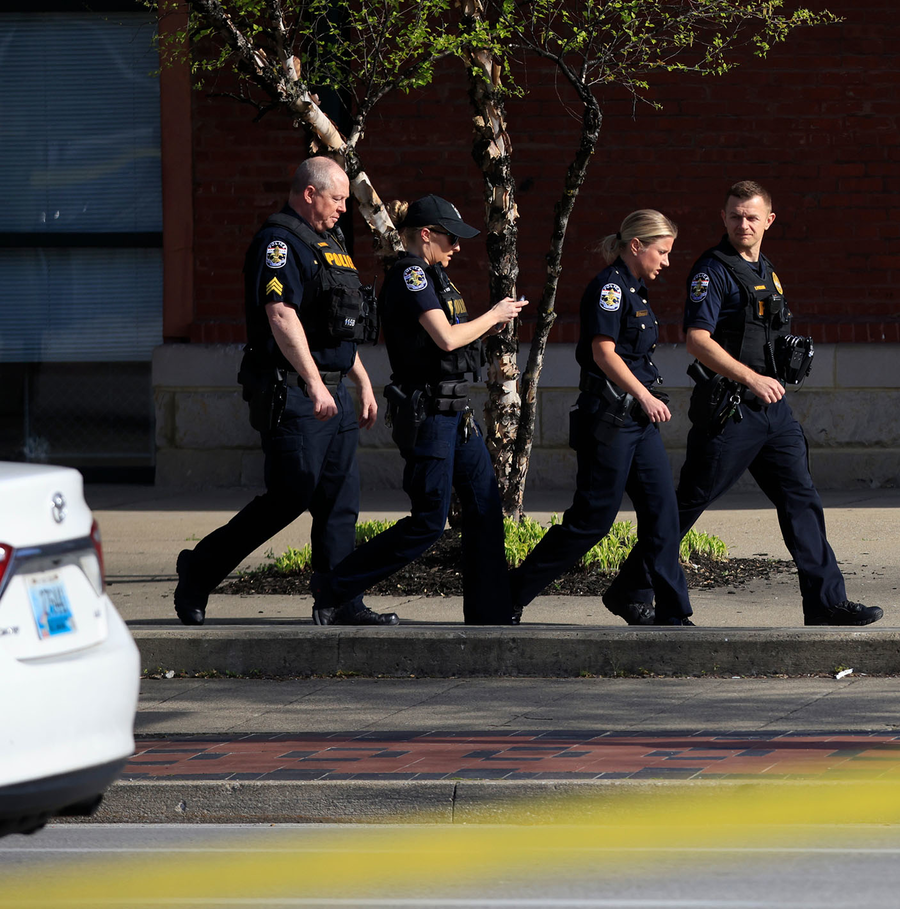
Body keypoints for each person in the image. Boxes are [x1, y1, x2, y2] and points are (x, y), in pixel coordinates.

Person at [173, 156, 390, 627]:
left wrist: (363, 380)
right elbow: (281, 315)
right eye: (336, 199)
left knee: (340, 499)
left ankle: (339, 599)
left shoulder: (328, 242)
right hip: (295, 392)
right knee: (291, 494)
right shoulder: (280, 242)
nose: (342, 209)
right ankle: (199, 570)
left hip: (335, 393)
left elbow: (331, 326)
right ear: (309, 193)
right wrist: (314, 383)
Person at [675, 181, 882, 627]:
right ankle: (633, 588)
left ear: (769, 220)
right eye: (734, 215)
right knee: (690, 500)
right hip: (731, 409)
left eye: (751, 216)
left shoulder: (765, 269)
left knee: (801, 499)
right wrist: (750, 376)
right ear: (723, 218)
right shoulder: (713, 271)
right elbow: (696, 340)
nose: (742, 224)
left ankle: (826, 603)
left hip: (773, 412)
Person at [315, 195, 526, 624]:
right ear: (425, 236)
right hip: (430, 414)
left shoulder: (435, 275)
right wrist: (495, 315)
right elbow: (446, 339)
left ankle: (490, 613)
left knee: (485, 508)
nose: (457, 247)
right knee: (429, 523)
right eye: (450, 238)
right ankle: (335, 588)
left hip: (456, 412)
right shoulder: (411, 273)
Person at [510, 209, 692, 625]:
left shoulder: (637, 290)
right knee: (591, 522)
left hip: (637, 422)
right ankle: (510, 593)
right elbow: (603, 352)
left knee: (663, 514)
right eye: (661, 251)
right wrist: (645, 395)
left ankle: (671, 612)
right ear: (636, 246)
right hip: (609, 420)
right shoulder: (609, 288)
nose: (666, 261)